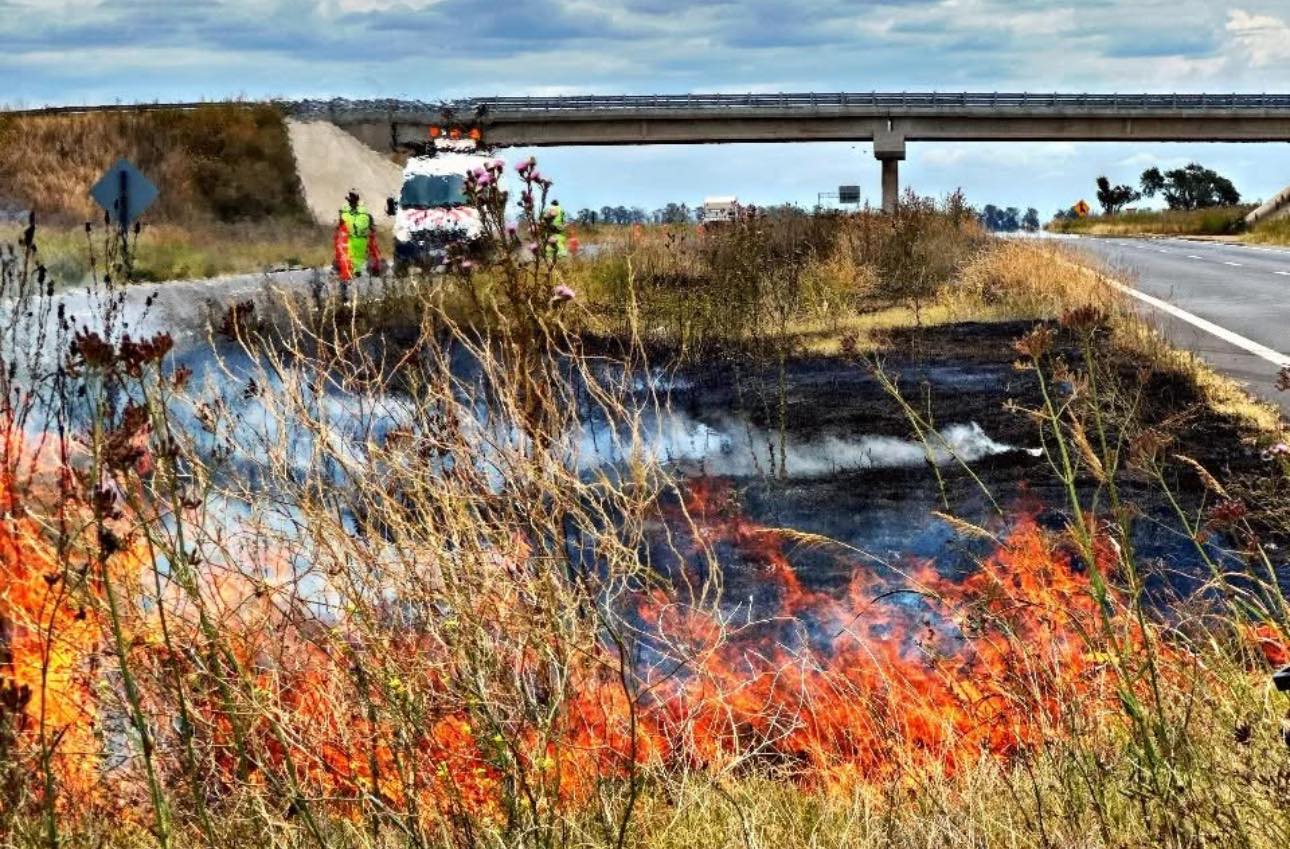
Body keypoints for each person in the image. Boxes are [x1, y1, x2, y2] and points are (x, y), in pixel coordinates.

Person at [333, 189, 380, 279]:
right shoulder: (362, 212)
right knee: (354, 256)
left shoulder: (350, 212)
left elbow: (339, 228)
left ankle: (354, 271)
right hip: (358, 238)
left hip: (357, 238)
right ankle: (354, 271)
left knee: (354, 256)